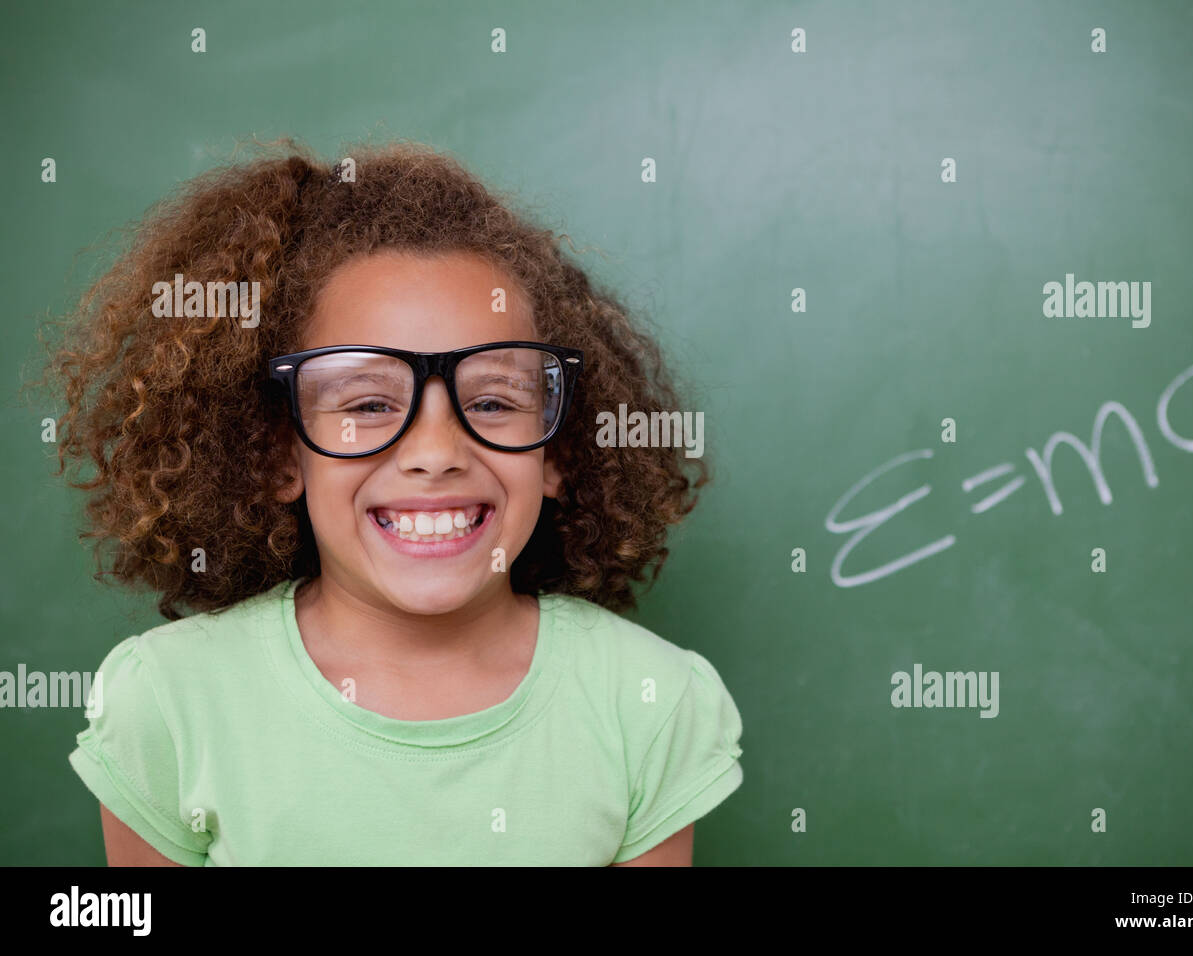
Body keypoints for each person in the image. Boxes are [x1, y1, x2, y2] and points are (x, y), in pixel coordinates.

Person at [43, 139, 742, 865]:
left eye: (494, 400)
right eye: (371, 402)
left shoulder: (652, 701)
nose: (434, 451)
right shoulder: (169, 702)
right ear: (282, 453)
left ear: (557, 450)